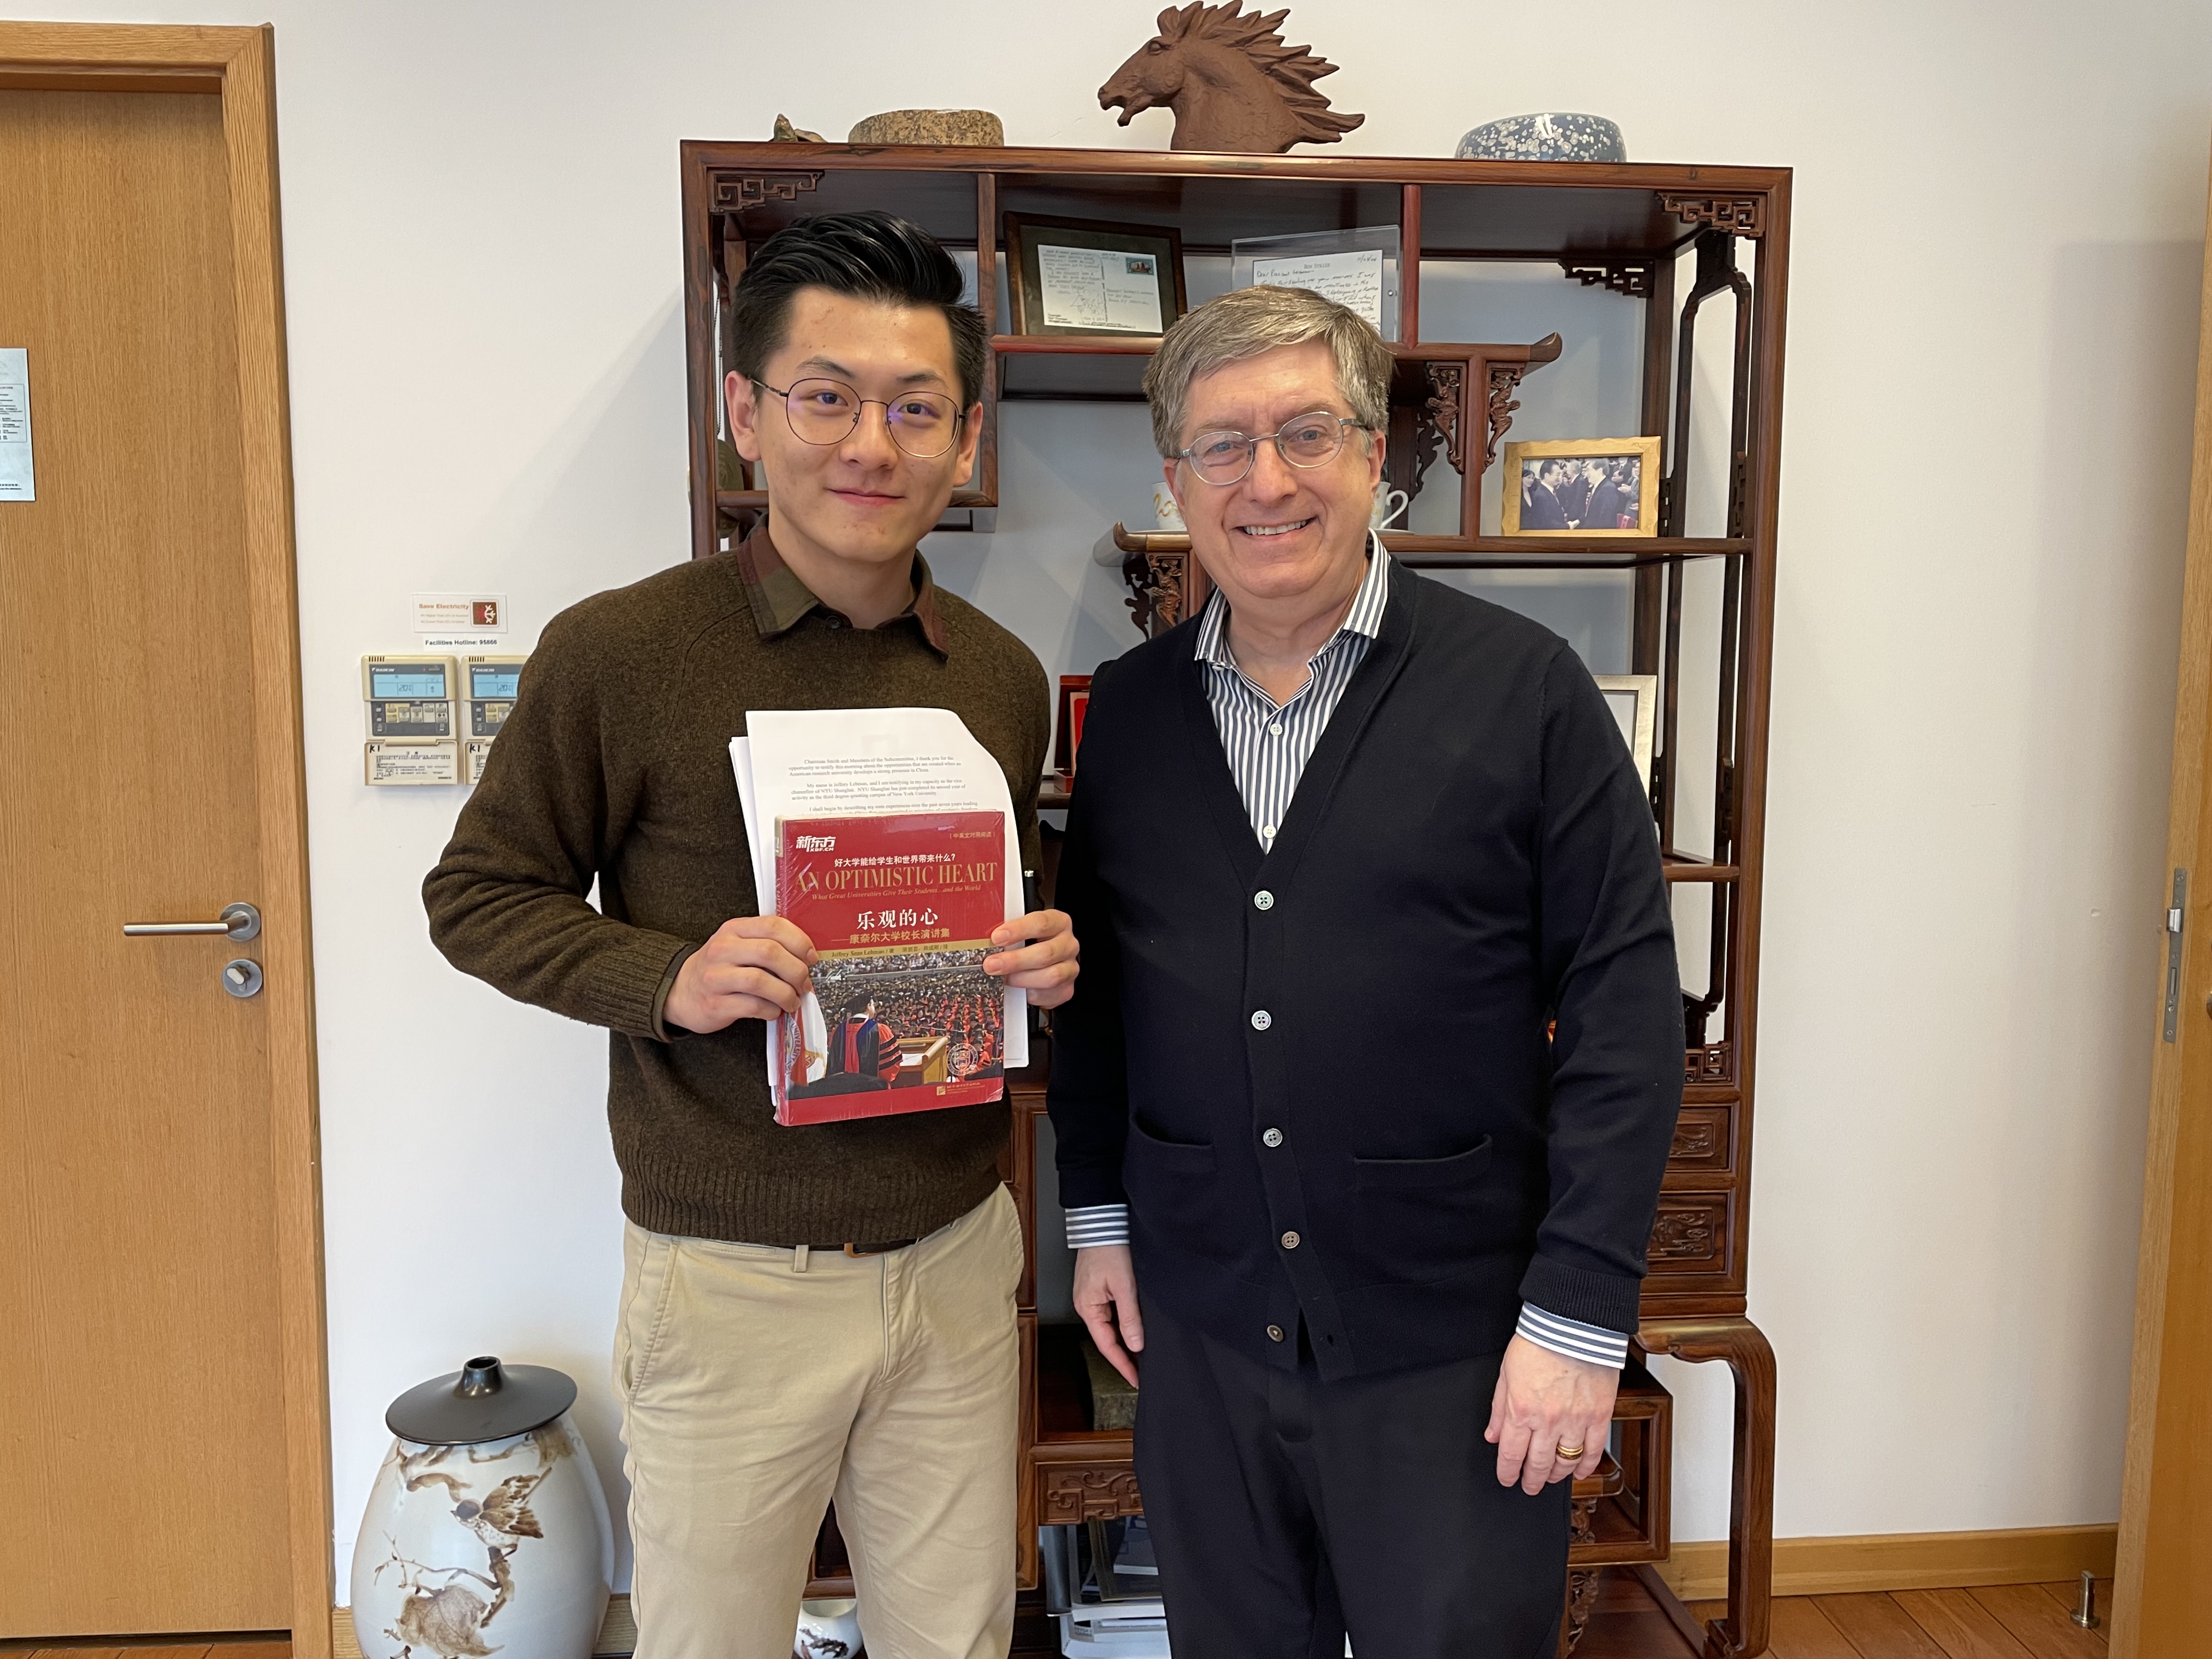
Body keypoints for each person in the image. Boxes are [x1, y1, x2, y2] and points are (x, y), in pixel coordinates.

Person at [424, 210, 1080, 1659]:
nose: (871, 446)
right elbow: (477, 898)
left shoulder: (1002, 678)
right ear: (746, 417)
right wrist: (674, 976)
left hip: (961, 1255)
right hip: (730, 1279)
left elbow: (1003, 919)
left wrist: (1045, 960)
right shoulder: (621, 652)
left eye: (916, 409)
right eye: (826, 397)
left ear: (964, 439)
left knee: (958, 1639)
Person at [1048, 285, 1680, 1657]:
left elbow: (1629, 1020)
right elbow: (1095, 998)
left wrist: (1575, 1321)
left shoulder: (1528, 693)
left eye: (1305, 433)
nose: (1265, 480)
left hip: (1453, 1351)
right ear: (1176, 479)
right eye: (1223, 445)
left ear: (1375, 457)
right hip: (1205, 1341)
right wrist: (1097, 1218)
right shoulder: (1134, 711)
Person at [1521, 458, 1570, 529]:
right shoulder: (1541, 495)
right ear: (1547, 476)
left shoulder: (1551, 491)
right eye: (1557, 474)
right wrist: (1568, 526)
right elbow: (1547, 524)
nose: (1560, 478)